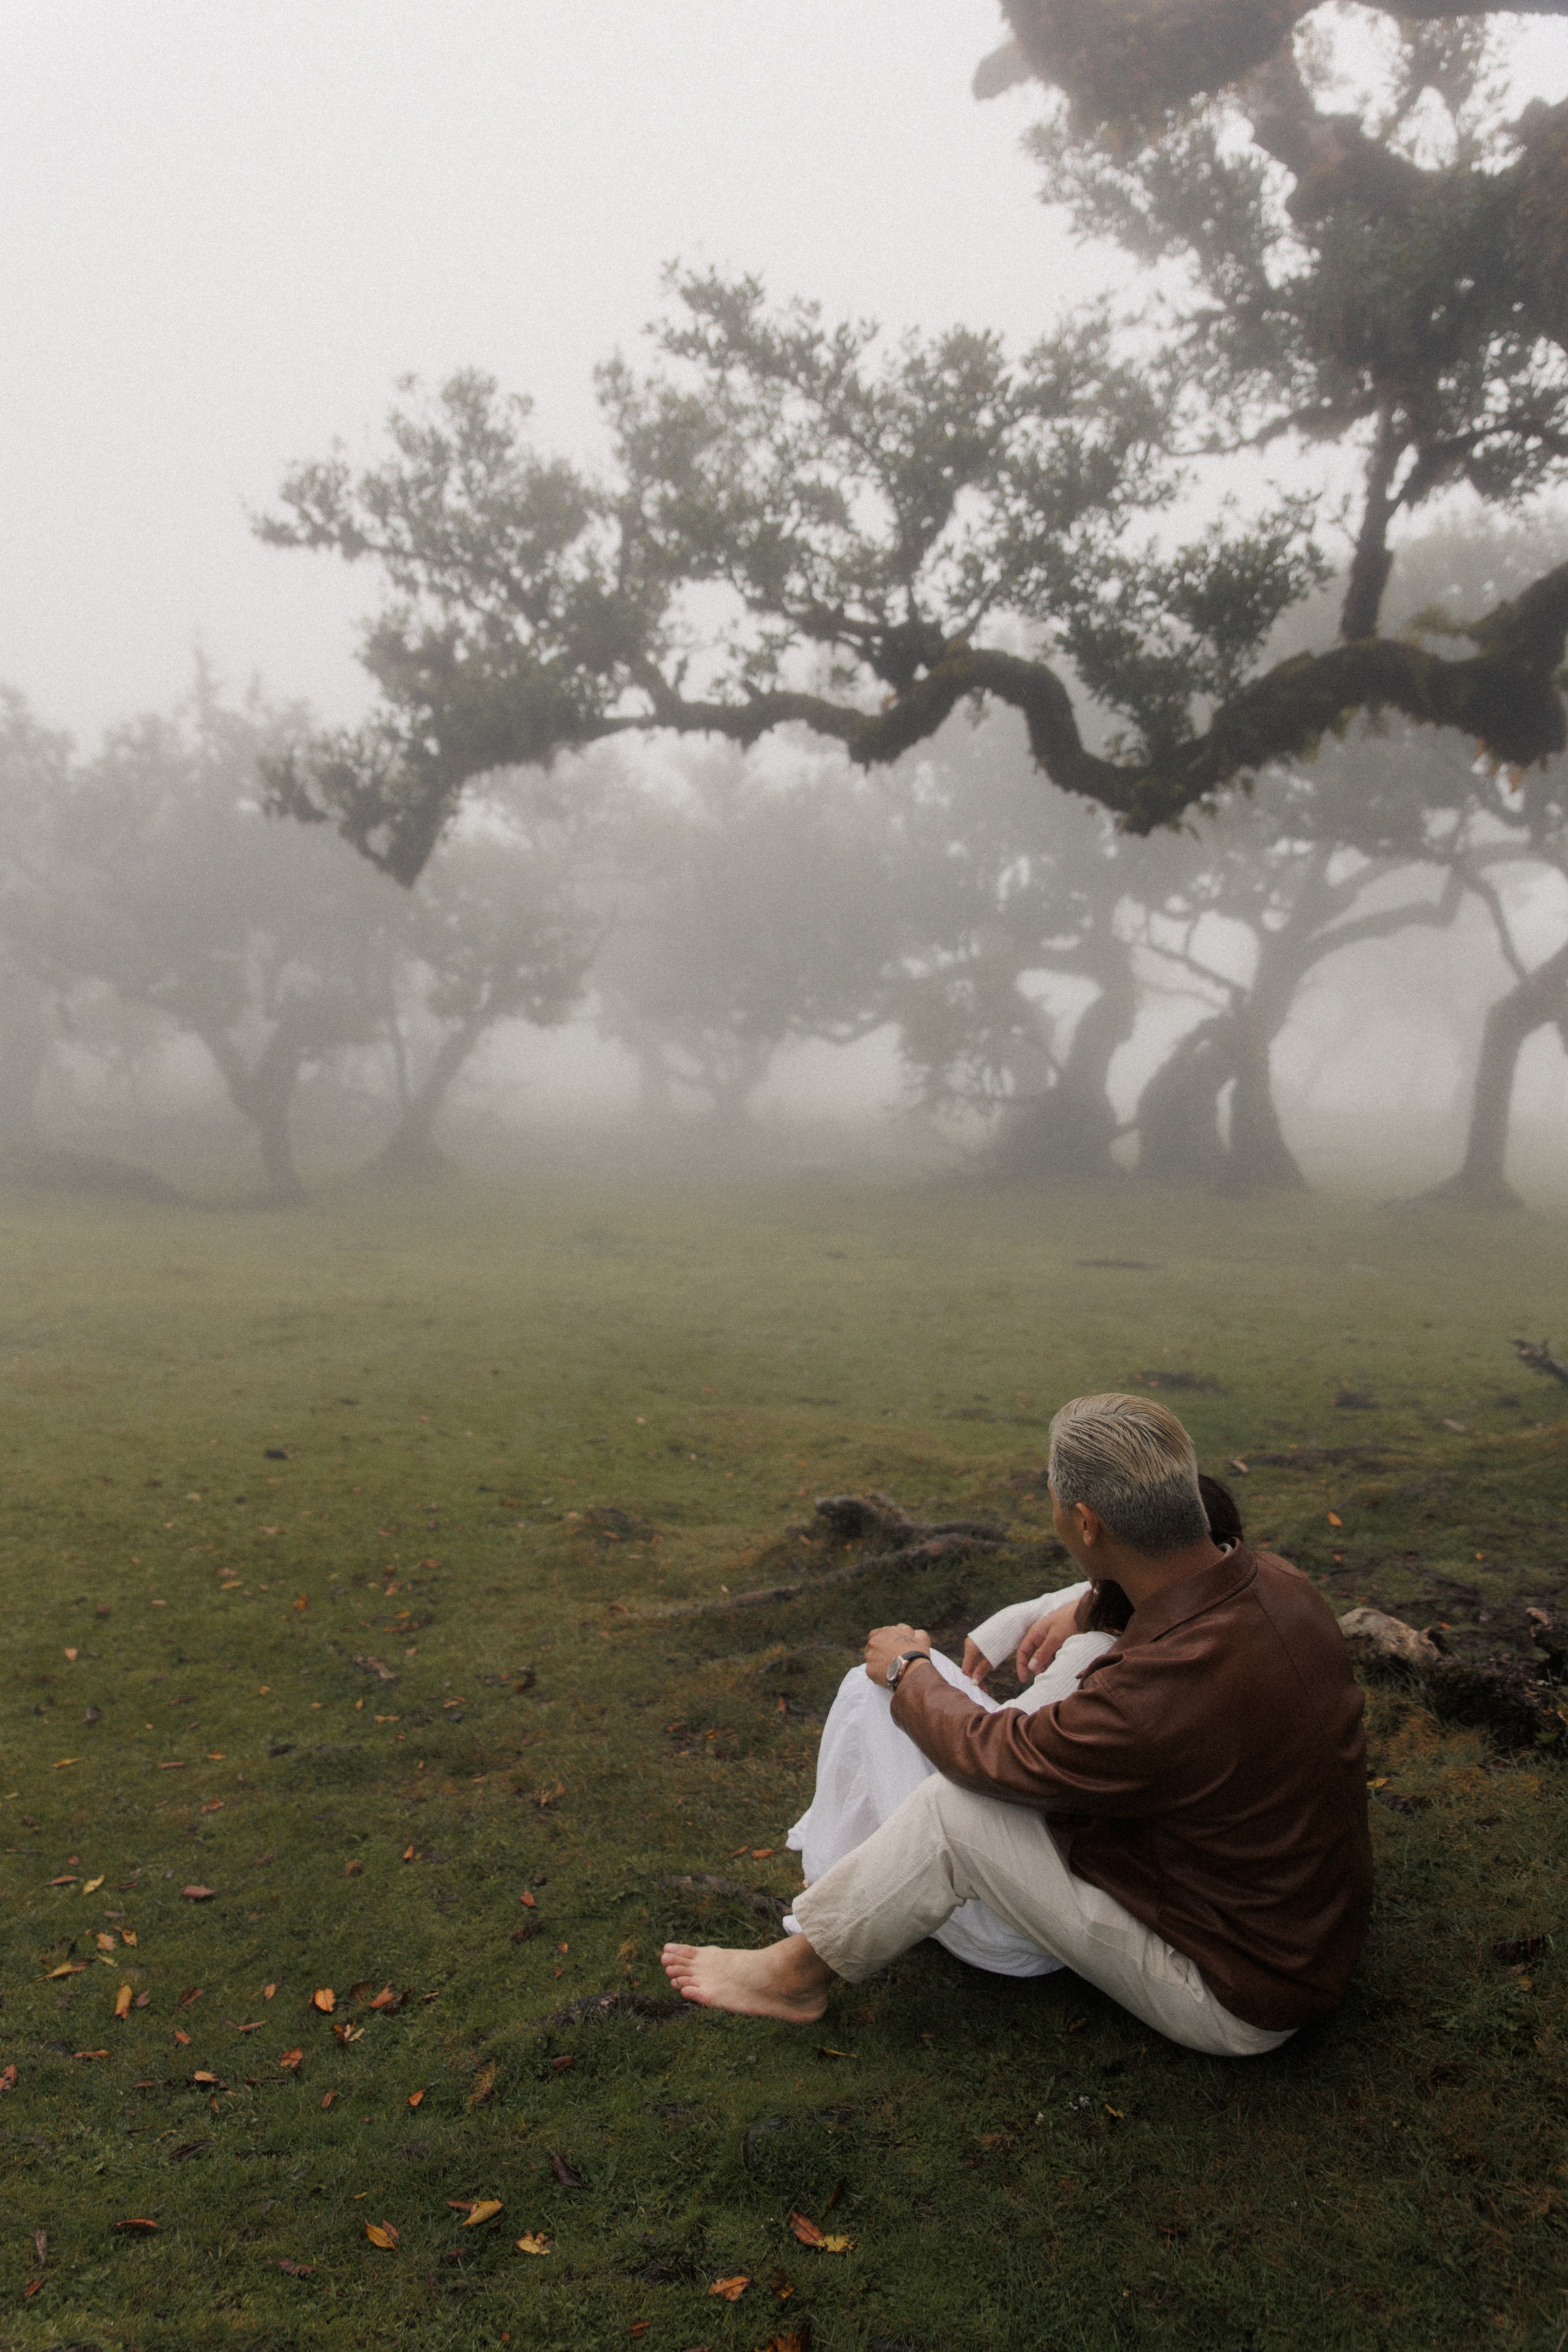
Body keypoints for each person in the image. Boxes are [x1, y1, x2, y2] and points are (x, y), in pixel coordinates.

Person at [662, 1393, 1372, 2057]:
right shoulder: (1279, 1584)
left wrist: (908, 1669)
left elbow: (990, 1755)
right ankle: (864, 1899)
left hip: (1236, 1990)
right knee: (1069, 1682)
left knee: (954, 1814)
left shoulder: (1158, 1693)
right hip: (1295, 1934)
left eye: (1059, 1507)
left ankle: (796, 1973)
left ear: (1087, 1522)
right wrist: (1089, 1607)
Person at [780, 1474, 1247, 1980]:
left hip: (1023, 1920)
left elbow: (996, 1758)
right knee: (895, 1687)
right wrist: (1046, 1614)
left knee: (871, 1688)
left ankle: (833, 1885)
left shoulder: (1109, 1668)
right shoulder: (1224, 1611)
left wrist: (910, 1669)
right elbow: (1082, 1597)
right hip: (1106, 1879)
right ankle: (842, 1874)